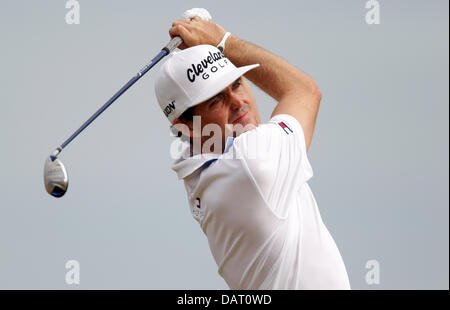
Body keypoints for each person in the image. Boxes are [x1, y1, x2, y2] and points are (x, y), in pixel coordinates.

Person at [154, 17, 351, 289]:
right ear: (187, 126)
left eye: (236, 84)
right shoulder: (250, 163)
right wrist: (223, 41)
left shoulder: (196, 167)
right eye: (216, 100)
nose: (238, 102)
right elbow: (305, 91)